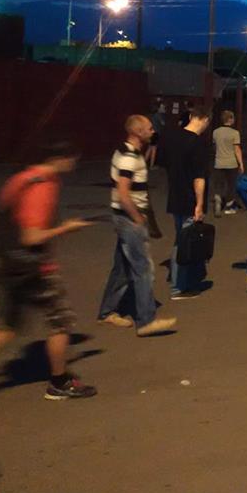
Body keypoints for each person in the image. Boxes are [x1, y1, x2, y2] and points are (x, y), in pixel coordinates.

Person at [0, 142, 97, 400]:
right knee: (61, 322)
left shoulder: (21, 179)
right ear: (58, 157)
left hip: (11, 265)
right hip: (35, 268)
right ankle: (59, 382)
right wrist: (66, 228)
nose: (74, 162)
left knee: (6, 327)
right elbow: (31, 236)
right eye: (71, 157)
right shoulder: (43, 186)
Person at [97, 115, 177, 337]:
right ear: (138, 132)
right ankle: (146, 321)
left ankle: (107, 312)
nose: (153, 131)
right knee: (143, 269)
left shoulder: (124, 152)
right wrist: (137, 217)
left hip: (124, 217)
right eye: (149, 128)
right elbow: (123, 193)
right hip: (129, 218)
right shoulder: (129, 158)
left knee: (122, 268)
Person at [159, 106, 210, 299]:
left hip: (175, 196)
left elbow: (164, 163)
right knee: (185, 244)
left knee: (180, 239)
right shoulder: (197, 143)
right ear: (205, 120)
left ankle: (182, 281)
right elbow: (199, 177)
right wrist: (199, 204)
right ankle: (179, 286)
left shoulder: (173, 137)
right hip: (189, 198)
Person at [211, 110, 243, 217]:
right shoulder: (235, 133)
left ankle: (218, 197)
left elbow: (215, 146)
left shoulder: (215, 132)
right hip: (231, 163)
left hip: (219, 162)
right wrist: (241, 164)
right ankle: (229, 206)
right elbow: (237, 150)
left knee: (219, 184)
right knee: (231, 185)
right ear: (230, 119)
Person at [146, 102, 166, 168]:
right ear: (159, 108)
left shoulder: (152, 115)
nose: (163, 108)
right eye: (162, 107)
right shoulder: (158, 115)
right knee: (154, 150)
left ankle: (144, 164)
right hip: (155, 134)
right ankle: (151, 166)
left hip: (151, 133)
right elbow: (163, 123)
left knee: (149, 149)